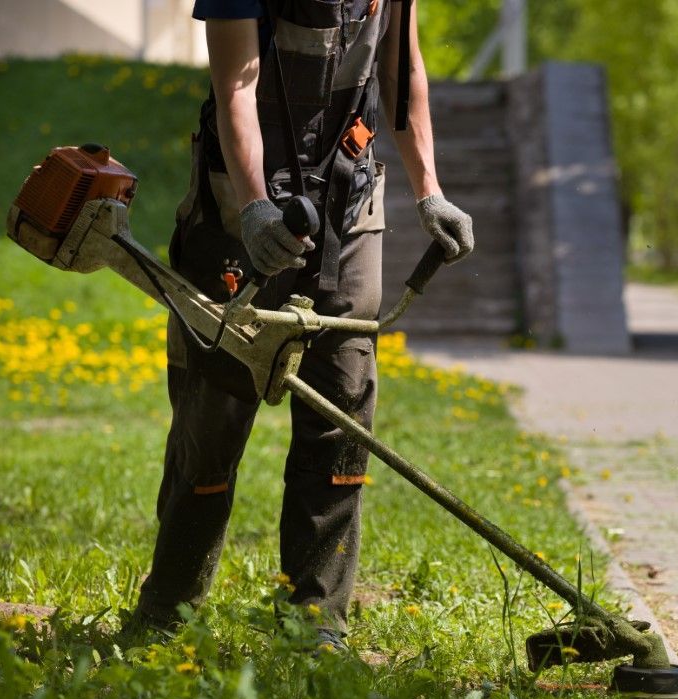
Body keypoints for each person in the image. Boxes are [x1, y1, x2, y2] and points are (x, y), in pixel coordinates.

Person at [130, 0, 474, 650]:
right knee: (213, 415)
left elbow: (401, 70)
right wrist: (257, 207)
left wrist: (429, 189)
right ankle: (167, 612)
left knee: (342, 413)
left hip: (350, 201)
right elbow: (236, 83)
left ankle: (317, 626)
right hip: (241, 201)